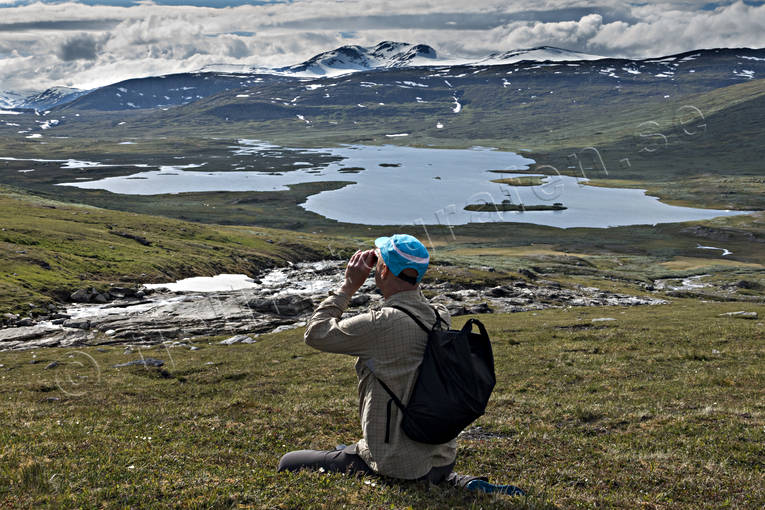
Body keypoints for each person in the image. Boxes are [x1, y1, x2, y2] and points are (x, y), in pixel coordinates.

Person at [277, 234, 525, 496]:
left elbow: (315, 333)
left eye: (379, 261)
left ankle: (403, 469)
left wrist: (348, 286)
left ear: (382, 269)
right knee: (349, 450)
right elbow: (410, 300)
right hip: (442, 457)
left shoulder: (381, 324)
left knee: (289, 461)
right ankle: (456, 480)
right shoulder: (441, 315)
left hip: (394, 464)